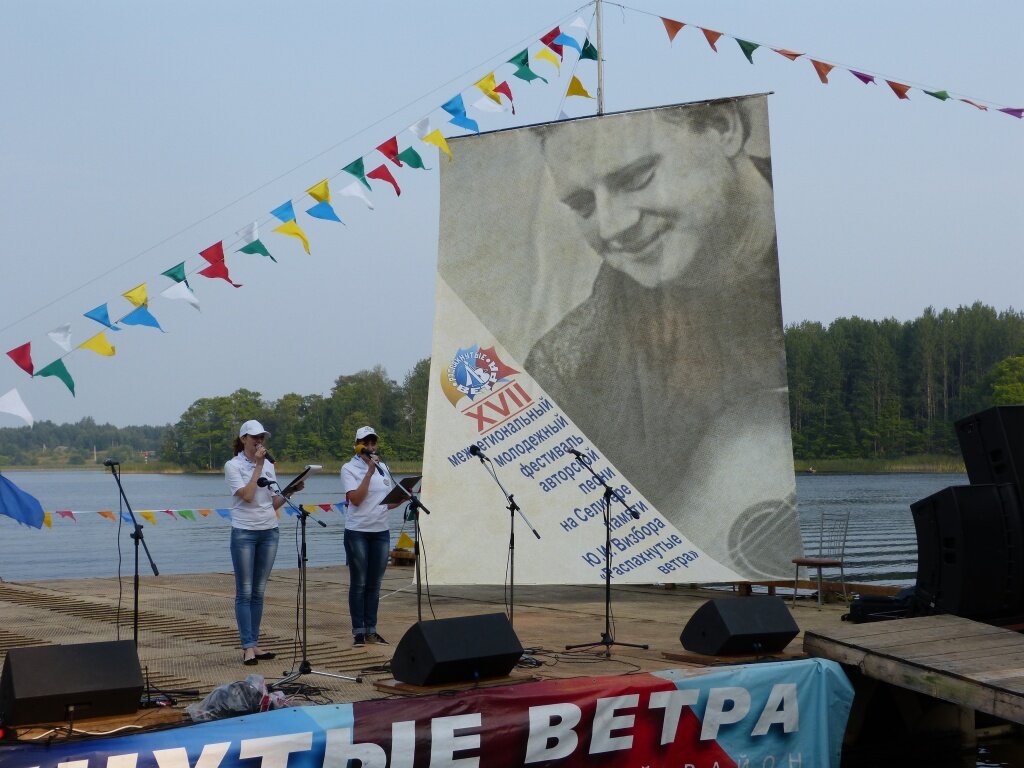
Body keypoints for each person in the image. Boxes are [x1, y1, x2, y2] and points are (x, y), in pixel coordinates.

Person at [524, 98, 802, 579]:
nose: (613, 226)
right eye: (584, 205)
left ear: (724, 128)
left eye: (635, 178)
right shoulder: (566, 373)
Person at [224, 419, 301, 665]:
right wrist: (257, 465)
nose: (259, 441)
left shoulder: (268, 465)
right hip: (244, 532)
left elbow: (273, 502)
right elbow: (247, 496)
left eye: (262, 437)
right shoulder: (233, 465)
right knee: (244, 591)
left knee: (258, 591)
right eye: (255, 437)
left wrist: (289, 491)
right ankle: (246, 646)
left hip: (269, 531)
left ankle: (255, 644)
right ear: (244, 438)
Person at [341, 425, 398, 647]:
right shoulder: (349, 468)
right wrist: (368, 473)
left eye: (373, 442)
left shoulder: (384, 468)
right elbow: (355, 498)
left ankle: (371, 630)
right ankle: (358, 632)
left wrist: (402, 498)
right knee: (359, 583)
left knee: (375, 583)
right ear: (358, 445)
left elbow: (386, 503)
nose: (371, 447)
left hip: (380, 531)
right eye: (366, 443)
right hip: (358, 531)